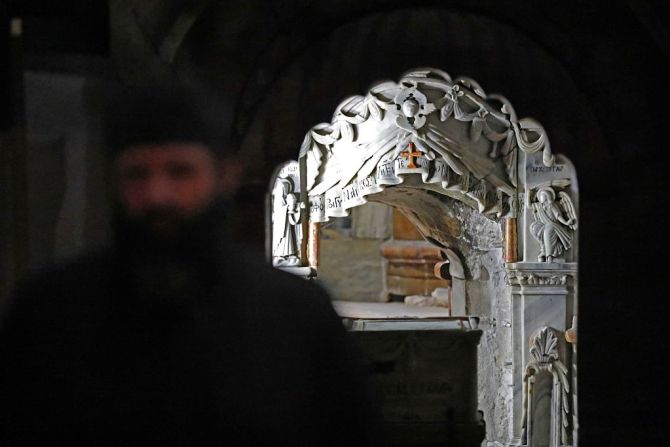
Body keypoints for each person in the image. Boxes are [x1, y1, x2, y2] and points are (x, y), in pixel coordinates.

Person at [0, 84, 377, 445]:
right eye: (137, 174)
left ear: (226, 175)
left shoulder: (298, 315)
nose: (157, 195)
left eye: (180, 172)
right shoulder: (50, 312)